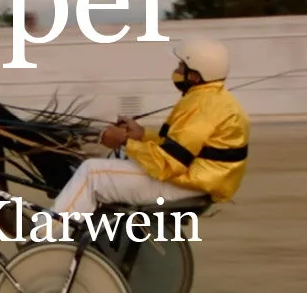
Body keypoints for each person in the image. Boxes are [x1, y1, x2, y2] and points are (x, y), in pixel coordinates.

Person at [50, 39, 249, 216]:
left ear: (195, 76)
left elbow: (170, 163)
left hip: (188, 184)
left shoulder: (202, 106)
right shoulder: (212, 98)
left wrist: (125, 141)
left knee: (92, 172)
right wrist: (142, 135)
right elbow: (177, 146)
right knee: (119, 157)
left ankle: (43, 233)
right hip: (199, 179)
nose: (177, 70)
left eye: (181, 66)